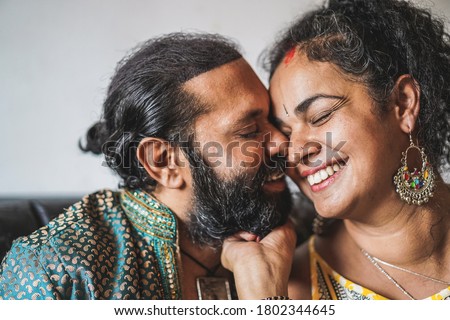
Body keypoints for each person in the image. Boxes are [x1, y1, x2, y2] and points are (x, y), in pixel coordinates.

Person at [0, 32, 297, 299]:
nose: (282, 142)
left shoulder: (292, 241)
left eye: (272, 120)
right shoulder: (59, 273)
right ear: (163, 162)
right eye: (249, 131)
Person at [221, 0, 450, 300]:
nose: (295, 153)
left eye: (320, 116)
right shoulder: (290, 288)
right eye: (285, 134)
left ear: (403, 103)